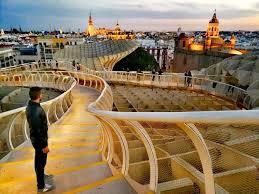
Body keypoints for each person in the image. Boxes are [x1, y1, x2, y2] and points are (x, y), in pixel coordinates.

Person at [26, 87, 54, 193]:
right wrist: (44, 146)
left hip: (35, 140)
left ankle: (41, 175)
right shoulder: (36, 111)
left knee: (38, 160)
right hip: (39, 142)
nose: (42, 95)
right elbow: (38, 130)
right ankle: (41, 186)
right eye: (41, 93)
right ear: (39, 96)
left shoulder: (30, 106)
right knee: (41, 162)